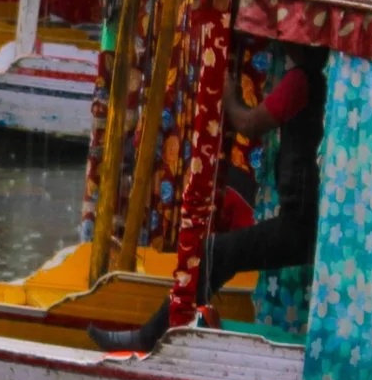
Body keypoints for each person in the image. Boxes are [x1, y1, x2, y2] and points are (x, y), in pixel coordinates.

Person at [90, 43, 328, 354]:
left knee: (214, 252)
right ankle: (164, 331)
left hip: (300, 223)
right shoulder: (321, 80)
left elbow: (249, 125)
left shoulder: (301, 80)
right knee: (218, 253)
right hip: (305, 219)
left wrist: (228, 95)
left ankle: (152, 336)